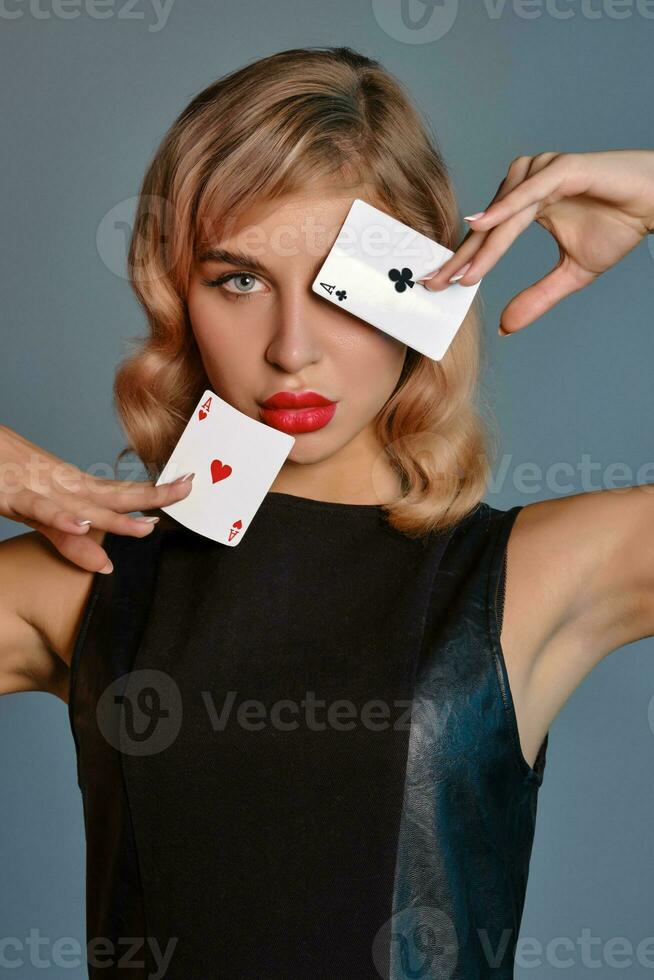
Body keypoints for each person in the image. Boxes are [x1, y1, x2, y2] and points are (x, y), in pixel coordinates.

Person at [0, 45, 652, 980]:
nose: (292, 348)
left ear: (434, 286)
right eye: (239, 281)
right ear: (176, 295)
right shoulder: (88, 580)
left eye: (340, 287)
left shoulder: (534, 573)